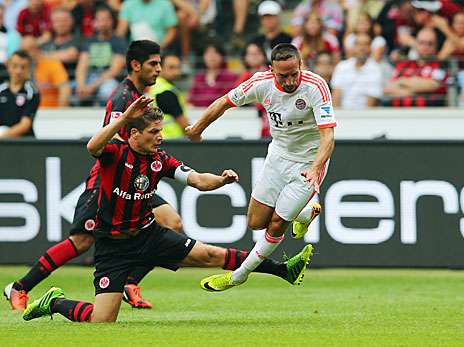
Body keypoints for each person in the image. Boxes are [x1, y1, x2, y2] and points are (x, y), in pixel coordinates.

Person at [21, 96, 314, 323]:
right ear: (133, 134)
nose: (160, 136)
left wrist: (221, 180)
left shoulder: (160, 160)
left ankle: (282, 270)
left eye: (160, 131)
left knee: (211, 254)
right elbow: (92, 146)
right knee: (102, 319)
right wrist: (124, 117)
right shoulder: (114, 154)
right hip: (113, 246)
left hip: (150, 235)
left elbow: (197, 180)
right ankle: (55, 302)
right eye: (153, 131)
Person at [3, 40, 177, 311]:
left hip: (132, 179)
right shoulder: (123, 98)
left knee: (172, 223)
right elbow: (109, 142)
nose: (158, 69)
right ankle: (20, 286)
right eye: (153, 63)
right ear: (135, 65)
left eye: (159, 63)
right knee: (82, 241)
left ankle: (131, 282)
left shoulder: (138, 97)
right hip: (110, 181)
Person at [185, 43, 335, 292]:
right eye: (282, 75)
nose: (289, 81)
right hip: (278, 156)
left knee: (276, 223)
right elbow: (223, 102)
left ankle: (238, 276)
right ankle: (305, 214)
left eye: (293, 73)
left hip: (308, 163)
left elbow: (328, 136)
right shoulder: (260, 83)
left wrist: (315, 167)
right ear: (271, 70)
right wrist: (198, 127)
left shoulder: (316, 86)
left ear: (301, 66)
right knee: (256, 222)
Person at [75, 6, 126, 105]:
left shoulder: (119, 41)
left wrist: (91, 87)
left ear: (112, 21)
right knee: (72, 90)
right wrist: (81, 85)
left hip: (108, 79)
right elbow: (82, 66)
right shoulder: (88, 41)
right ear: (94, 22)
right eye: (99, 19)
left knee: (107, 91)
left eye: (106, 19)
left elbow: (114, 70)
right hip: (89, 77)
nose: (102, 23)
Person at [384, 28, 448, 107]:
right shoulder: (404, 64)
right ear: (416, 44)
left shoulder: (440, 66)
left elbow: (432, 85)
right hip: (399, 114)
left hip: (428, 114)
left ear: (436, 46)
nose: (425, 47)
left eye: (430, 43)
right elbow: (388, 88)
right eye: (421, 43)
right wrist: (418, 88)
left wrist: (401, 81)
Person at [148, 53, 193, 139]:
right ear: (160, 69)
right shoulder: (166, 92)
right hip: (172, 141)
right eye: (171, 67)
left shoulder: (157, 87)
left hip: (162, 140)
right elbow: (184, 125)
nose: (176, 72)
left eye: (178, 67)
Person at [332, 33, 383, 109]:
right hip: (341, 114)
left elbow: (371, 102)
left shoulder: (375, 69)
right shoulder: (342, 66)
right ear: (353, 47)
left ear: (370, 48)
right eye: (358, 44)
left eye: (365, 44)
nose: (361, 48)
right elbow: (336, 95)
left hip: (365, 117)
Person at [20, 35, 71, 108]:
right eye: (23, 52)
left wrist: (60, 112)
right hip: (28, 113)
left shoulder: (51, 64)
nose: (25, 55)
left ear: (36, 49)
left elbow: (65, 89)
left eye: (28, 50)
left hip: (49, 112)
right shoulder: (22, 68)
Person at [0, 50, 39, 138]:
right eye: (15, 66)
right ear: (8, 66)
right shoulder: (1, 89)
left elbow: (25, 125)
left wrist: (3, 136)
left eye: (23, 67)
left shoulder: (32, 92)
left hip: (22, 143)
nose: (18, 71)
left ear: (28, 69)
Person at [188, 43, 237, 107]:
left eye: (215, 53)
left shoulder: (230, 77)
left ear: (222, 56)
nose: (211, 56)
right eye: (208, 53)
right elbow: (190, 100)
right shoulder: (199, 77)